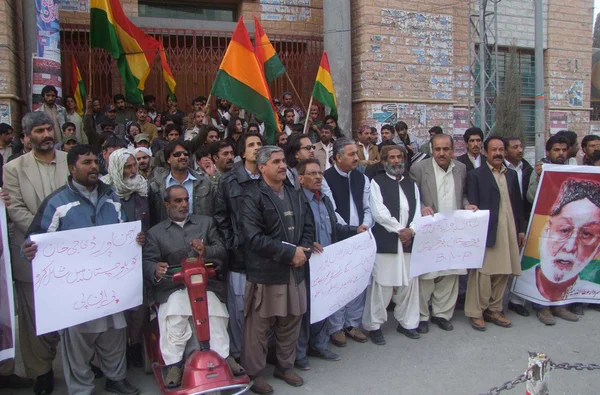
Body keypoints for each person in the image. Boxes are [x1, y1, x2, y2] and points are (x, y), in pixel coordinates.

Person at [23, 144, 142, 395]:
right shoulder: (57, 202)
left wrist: (136, 240)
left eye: (95, 162)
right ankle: (81, 389)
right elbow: (35, 238)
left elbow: (124, 233)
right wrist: (30, 250)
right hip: (75, 294)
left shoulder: (111, 197)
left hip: (109, 287)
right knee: (76, 343)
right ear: (71, 168)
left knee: (114, 334)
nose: (93, 167)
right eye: (86, 162)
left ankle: (116, 378)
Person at [143, 185, 243, 387]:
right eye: (177, 201)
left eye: (186, 200)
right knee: (175, 316)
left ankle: (223, 356)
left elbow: (222, 251)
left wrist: (206, 250)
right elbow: (147, 261)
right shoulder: (155, 233)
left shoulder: (205, 223)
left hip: (205, 284)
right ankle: (174, 364)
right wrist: (155, 268)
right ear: (166, 205)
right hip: (174, 286)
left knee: (214, 312)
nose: (183, 204)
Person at [239, 146, 314, 394]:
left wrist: (302, 251)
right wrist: (289, 253)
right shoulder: (252, 196)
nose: (283, 165)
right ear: (262, 168)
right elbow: (254, 238)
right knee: (259, 328)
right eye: (276, 162)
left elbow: (308, 226)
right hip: (267, 273)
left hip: (295, 270)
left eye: (283, 161)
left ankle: (284, 366)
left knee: (291, 321)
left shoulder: (295, 193)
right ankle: (255, 372)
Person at [2, 112, 67, 394]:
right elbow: (15, 208)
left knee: (72, 308)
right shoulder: (13, 168)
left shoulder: (70, 160)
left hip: (71, 250)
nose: (46, 135)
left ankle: (83, 365)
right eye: (39, 131)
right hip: (32, 250)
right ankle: (42, 372)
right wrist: (47, 234)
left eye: (48, 129)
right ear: (27, 137)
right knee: (35, 316)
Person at [295, 158, 360, 370]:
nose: (318, 177)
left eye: (320, 173)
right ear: (301, 178)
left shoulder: (325, 200)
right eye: (312, 174)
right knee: (305, 311)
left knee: (324, 306)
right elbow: (291, 233)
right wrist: (306, 244)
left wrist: (354, 230)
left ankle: (320, 345)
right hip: (305, 263)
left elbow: (334, 229)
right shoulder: (296, 201)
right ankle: (300, 353)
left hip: (326, 263)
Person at [409, 134, 476, 333]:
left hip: (452, 231)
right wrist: (422, 207)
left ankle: (442, 314)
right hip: (430, 229)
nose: (441, 153)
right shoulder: (419, 169)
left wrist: (466, 205)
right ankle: (422, 316)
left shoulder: (461, 169)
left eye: (446, 149)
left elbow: (463, 194)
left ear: (453, 150)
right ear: (431, 149)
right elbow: (412, 196)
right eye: (437, 149)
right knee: (426, 275)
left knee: (450, 274)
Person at [362, 145, 421, 344]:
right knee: (382, 286)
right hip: (387, 240)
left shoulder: (411, 184)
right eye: (392, 158)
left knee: (409, 285)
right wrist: (400, 230)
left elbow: (418, 212)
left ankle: (408, 323)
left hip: (408, 241)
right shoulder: (376, 182)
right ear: (384, 161)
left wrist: (411, 230)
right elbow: (379, 213)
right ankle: (374, 325)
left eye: (399, 157)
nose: (396, 161)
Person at [465, 136, 525, 331]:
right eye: (494, 150)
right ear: (485, 152)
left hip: (509, 230)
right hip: (488, 231)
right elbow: (472, 204)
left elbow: (518, 204)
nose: (498, 153)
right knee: (483, 274)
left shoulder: (511, 175)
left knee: (504, 272)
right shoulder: (476, 175)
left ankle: (494, 309)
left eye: (501, 149)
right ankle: (476, 312)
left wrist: (521, 229)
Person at [213, 132, 264, 362]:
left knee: (262, 312)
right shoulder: (228, 180)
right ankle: (238, 357)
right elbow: (220, 217)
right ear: (242, 153)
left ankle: (259, 356)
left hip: (266, 256)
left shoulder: (269, 176)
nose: (256, 148)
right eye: (251, 145)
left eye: (259, 144)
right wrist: (232, 243)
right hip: (240, 257)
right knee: (239, 311)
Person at [101, 148, 150, 367]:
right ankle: (116, 354)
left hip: (138, 256)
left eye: (134, 166)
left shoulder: (143, 187)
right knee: (115, 307)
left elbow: (152, 220)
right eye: (126, 167)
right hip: (111, 260)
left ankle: (135, 345)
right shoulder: (103, 190)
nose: (132, 171)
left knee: (138, 306)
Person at [525, 134, 581, 324]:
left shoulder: (572, 168)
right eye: (556, 150)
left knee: (563, 266)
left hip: (568, 228)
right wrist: (541, 177)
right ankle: (542, 307)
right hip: (545, 227)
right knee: (546, 265)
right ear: (548, 152)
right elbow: (531, 197)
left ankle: (559, 305)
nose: (561, 153)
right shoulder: (542, 169)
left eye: (564, 150)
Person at [517, 178, 600, 302]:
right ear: (547, 230)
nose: (570, 247)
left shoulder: (593, 291)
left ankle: (561, 306)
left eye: (587, 234)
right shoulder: (520, 281)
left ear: (597, 248)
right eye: (564, 230)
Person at [323, 138, 372, 346]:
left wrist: (365, 227)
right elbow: (331, 209)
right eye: (351, 154)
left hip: (361, 236)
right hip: (339, 238)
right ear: (338, 157)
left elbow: (368, 207)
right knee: (337, 283)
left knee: (357, 281)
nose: (356, 158)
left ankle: (352, 323)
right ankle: (335, 327)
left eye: (356, 154)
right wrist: (351, 230)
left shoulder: (361, 177)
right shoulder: (326, 178)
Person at [503, 136, 535, 318]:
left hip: (522, 218)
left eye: (521, 146)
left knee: (520, 262)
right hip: (503, 221)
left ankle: (517, 300)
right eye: (515, 147)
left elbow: (522, 200)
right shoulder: (501, 169)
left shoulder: (528, 169)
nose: (520, 150)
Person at [148, 140, 215, 226]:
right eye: (177, 154)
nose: (183, 156)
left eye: (185, 154)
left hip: (198, 233)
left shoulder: (204, 182)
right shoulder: (156, 185)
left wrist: (213, 176)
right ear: (168, 159)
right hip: (168, 235)